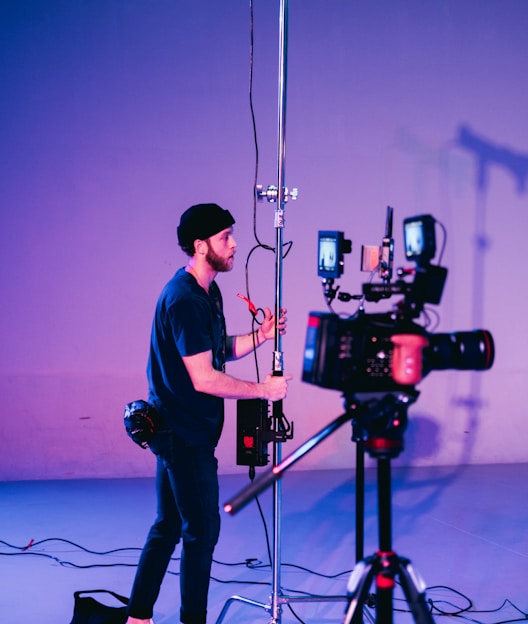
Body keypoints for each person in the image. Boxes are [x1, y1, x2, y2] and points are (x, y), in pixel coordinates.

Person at [126, 203, 292, 624]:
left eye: (231, 235)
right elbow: (204, 378)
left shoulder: (207, 291)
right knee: (201, 533)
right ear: (200, 246)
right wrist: (264, 390)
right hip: (184, 435)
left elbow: (217, 351)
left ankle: (138, 617)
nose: (234, 244)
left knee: (167, 525)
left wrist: (261, 335)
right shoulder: (183, 300)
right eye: (224, 238)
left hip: (183, 430)